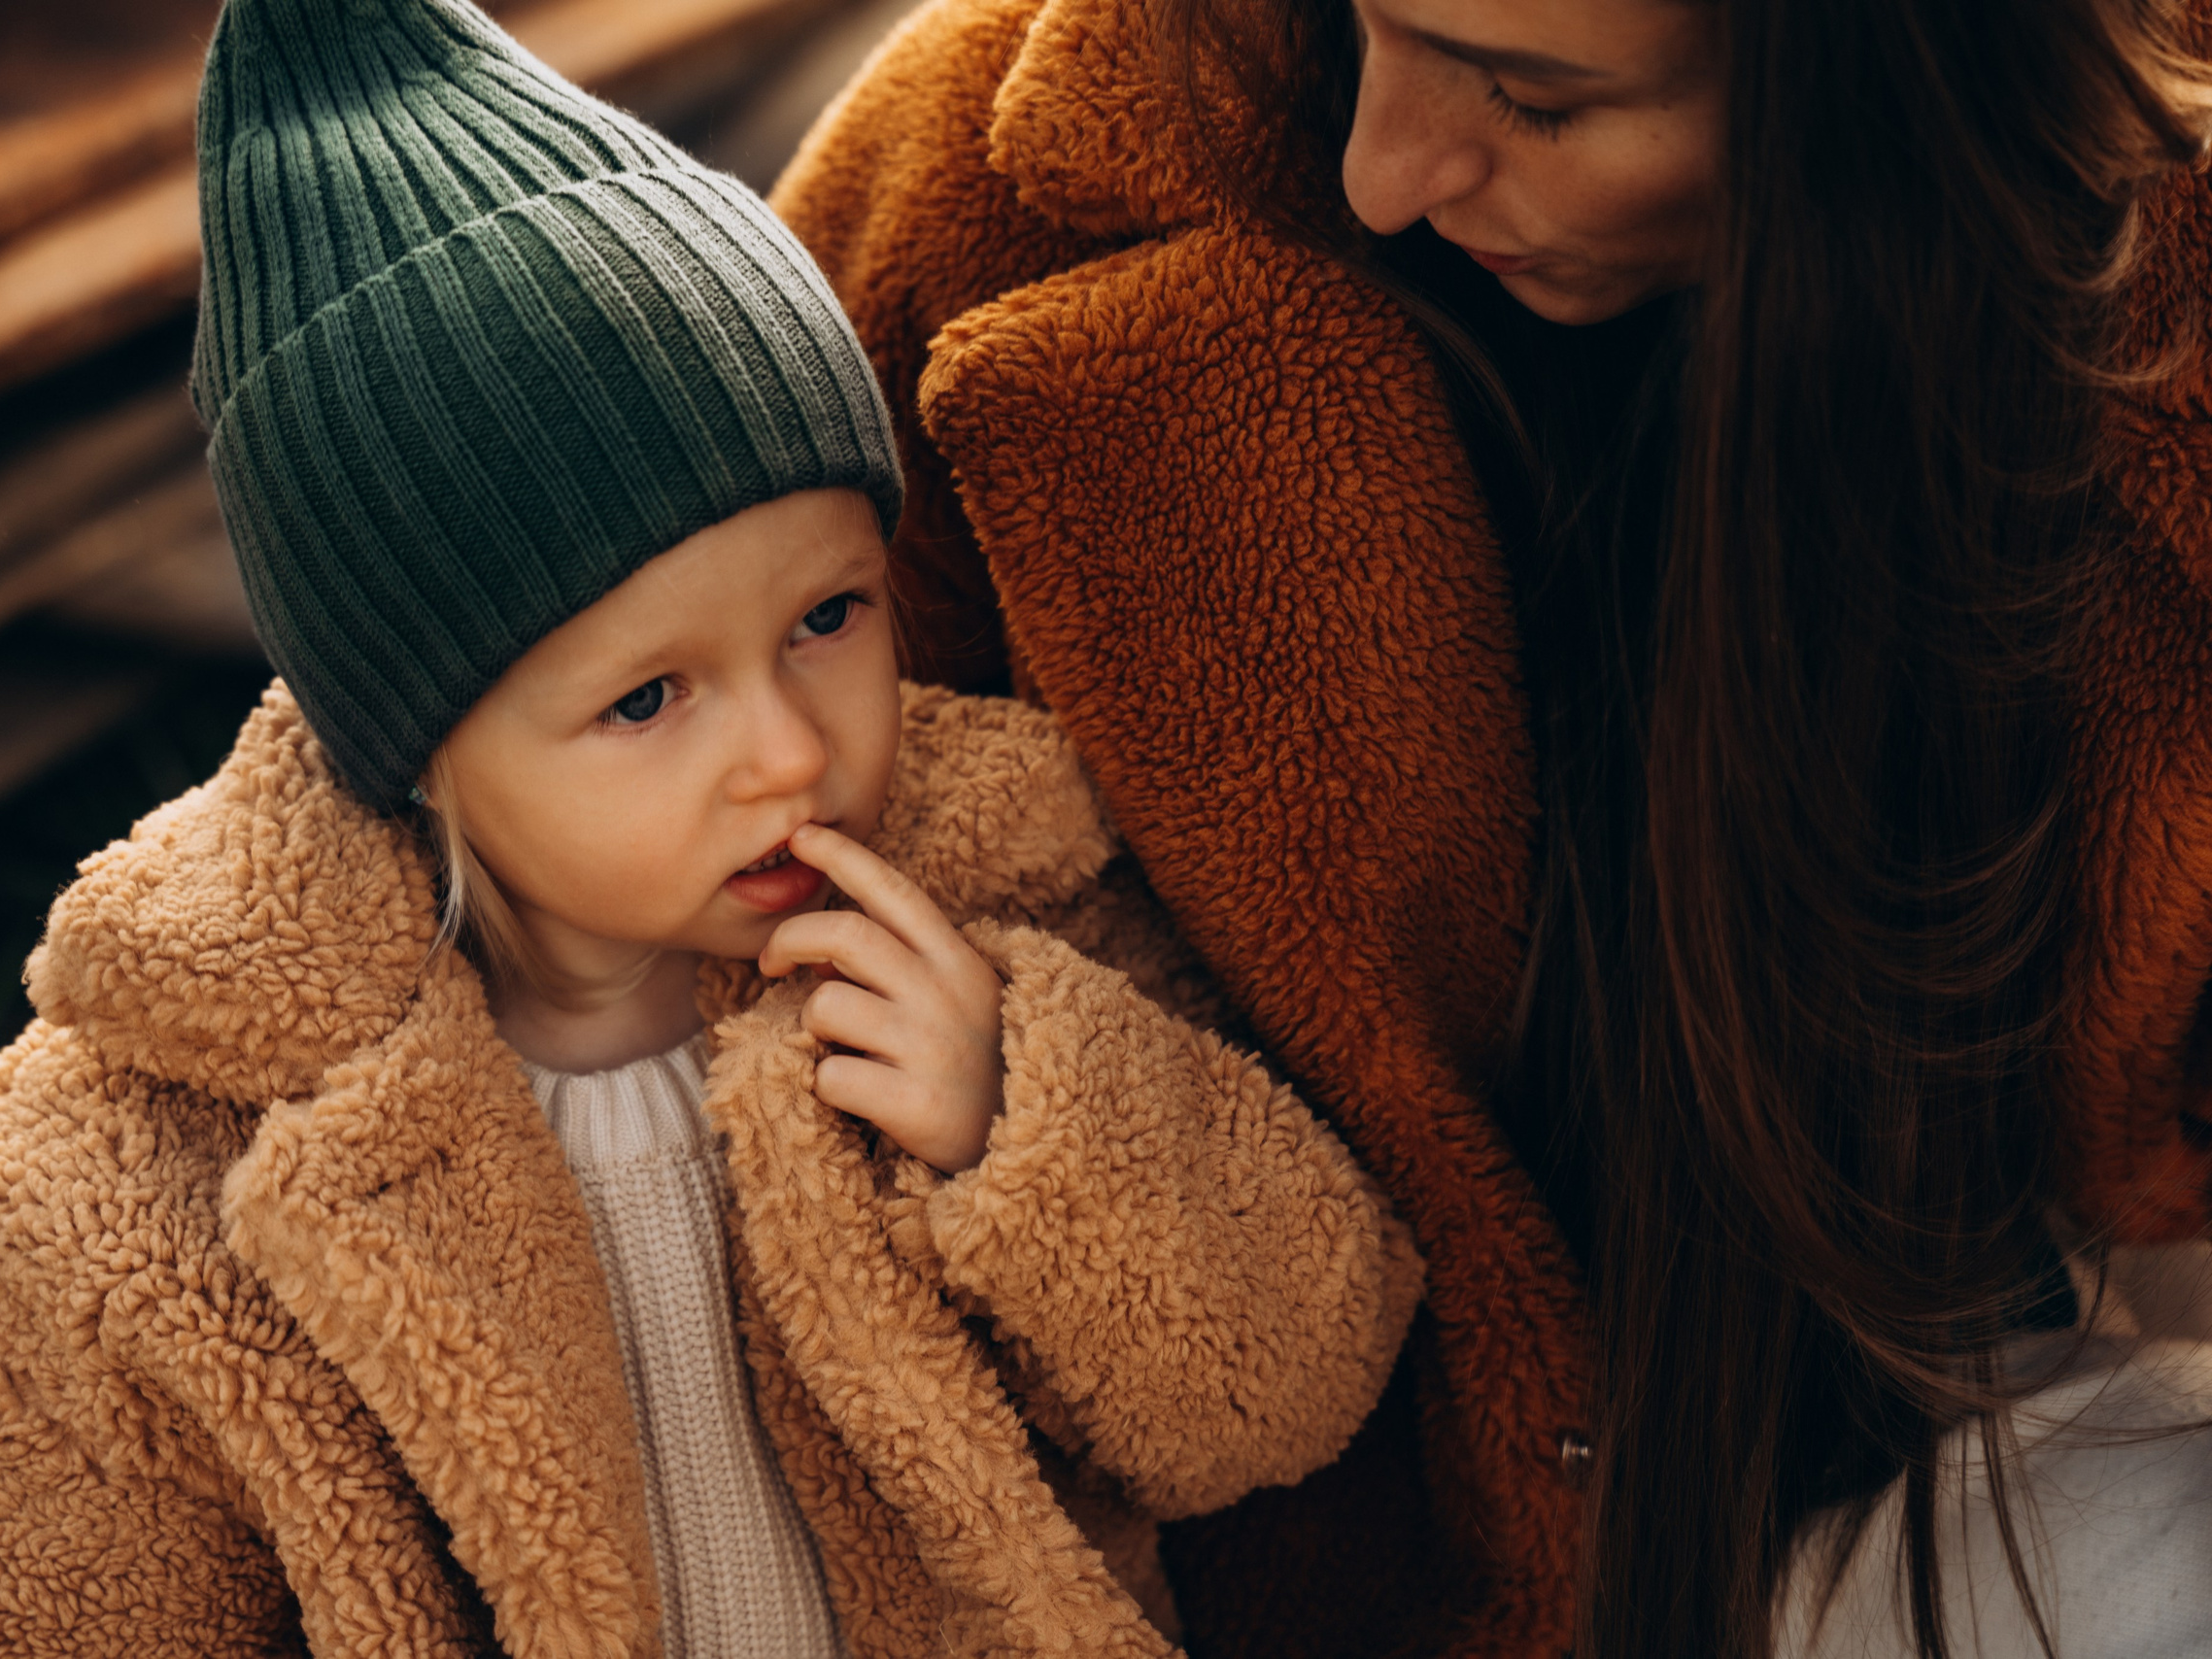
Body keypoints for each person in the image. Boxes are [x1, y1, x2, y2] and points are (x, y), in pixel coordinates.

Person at [0, 0, 1424, 1653]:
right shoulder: (105, 1197)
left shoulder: (999, 925)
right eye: (649, 701)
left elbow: (1287, 1389)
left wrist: (1028, 1117)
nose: (789, 752)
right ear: (416, 745)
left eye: (830, 616)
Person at [766, 0, 2212, 1652]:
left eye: (1532, 98)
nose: (1385, 171)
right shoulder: (981, 183)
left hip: (1995, 1443)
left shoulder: (2151, 303)